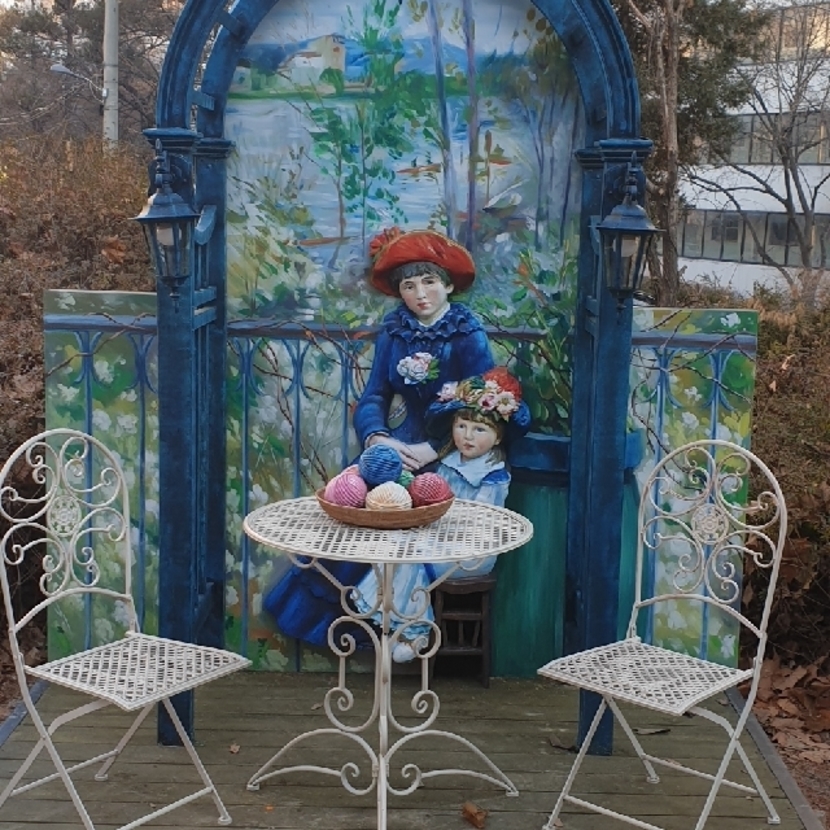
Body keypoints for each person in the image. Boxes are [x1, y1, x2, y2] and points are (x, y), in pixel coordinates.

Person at [263, 228, 495, 650]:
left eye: (429, 282)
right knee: (352, 505)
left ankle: (400, 628)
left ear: (447, 285)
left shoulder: (467, 333)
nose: (419, 294)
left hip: (448, 451)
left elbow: (480, 406)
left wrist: (434, 448)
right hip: (396, 446)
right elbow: (375, 395)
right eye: (409, 286)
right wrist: (377, 438)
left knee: (405, 523)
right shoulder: (395, 331)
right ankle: (343, 632)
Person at [352, 367, 531, 662]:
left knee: (414, 560)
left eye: (479, 430)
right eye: (461, 426)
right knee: (396, 548)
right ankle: (391, 618)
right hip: (441, 539)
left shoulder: (492, 475)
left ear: (498, 437)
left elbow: (481, 522)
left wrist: (439, 526)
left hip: (472, 551)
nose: (467, 436)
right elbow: (434, 494)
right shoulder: (449, 461)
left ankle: (417, 632)